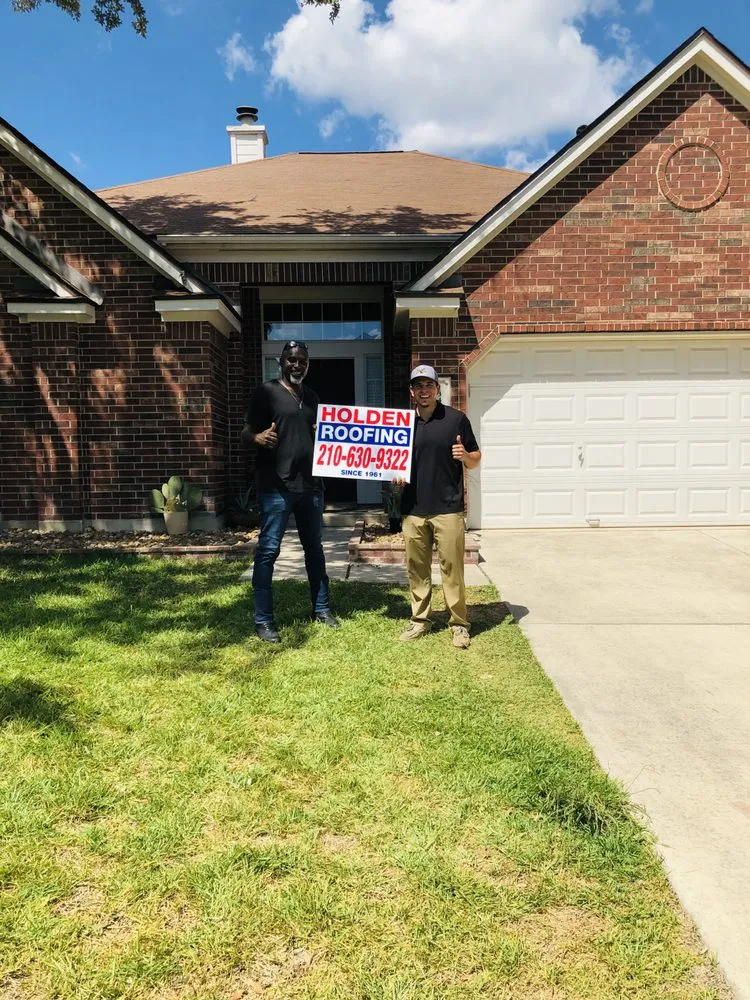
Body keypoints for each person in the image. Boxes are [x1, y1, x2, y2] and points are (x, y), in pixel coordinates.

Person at [242, 341, 339, 643]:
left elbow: (322, 436)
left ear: (308, 365)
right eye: (291, 360)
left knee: (315, 550)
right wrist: (257, 437)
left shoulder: (312, 398)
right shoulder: (266, 392)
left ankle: (321, 609)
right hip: (276, 488)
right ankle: (263, 620)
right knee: (268, 551)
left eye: (302, 361)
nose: (297, 365)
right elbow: (245, 432)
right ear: (281, 362)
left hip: (310, 487)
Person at [394, 364, 481, 649]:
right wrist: (394, 477)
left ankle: (459, 624)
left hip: (448, 507)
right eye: (418, 386)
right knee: (416, 569)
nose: (424, 390)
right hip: (413, 508)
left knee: (452, 569)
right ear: (411, 391)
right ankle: (420, 620)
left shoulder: (456, 419)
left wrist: (465, 455)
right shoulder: (401, 424)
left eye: (428, 385)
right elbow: (392, 463)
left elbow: (476, 457)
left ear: (437, 389)